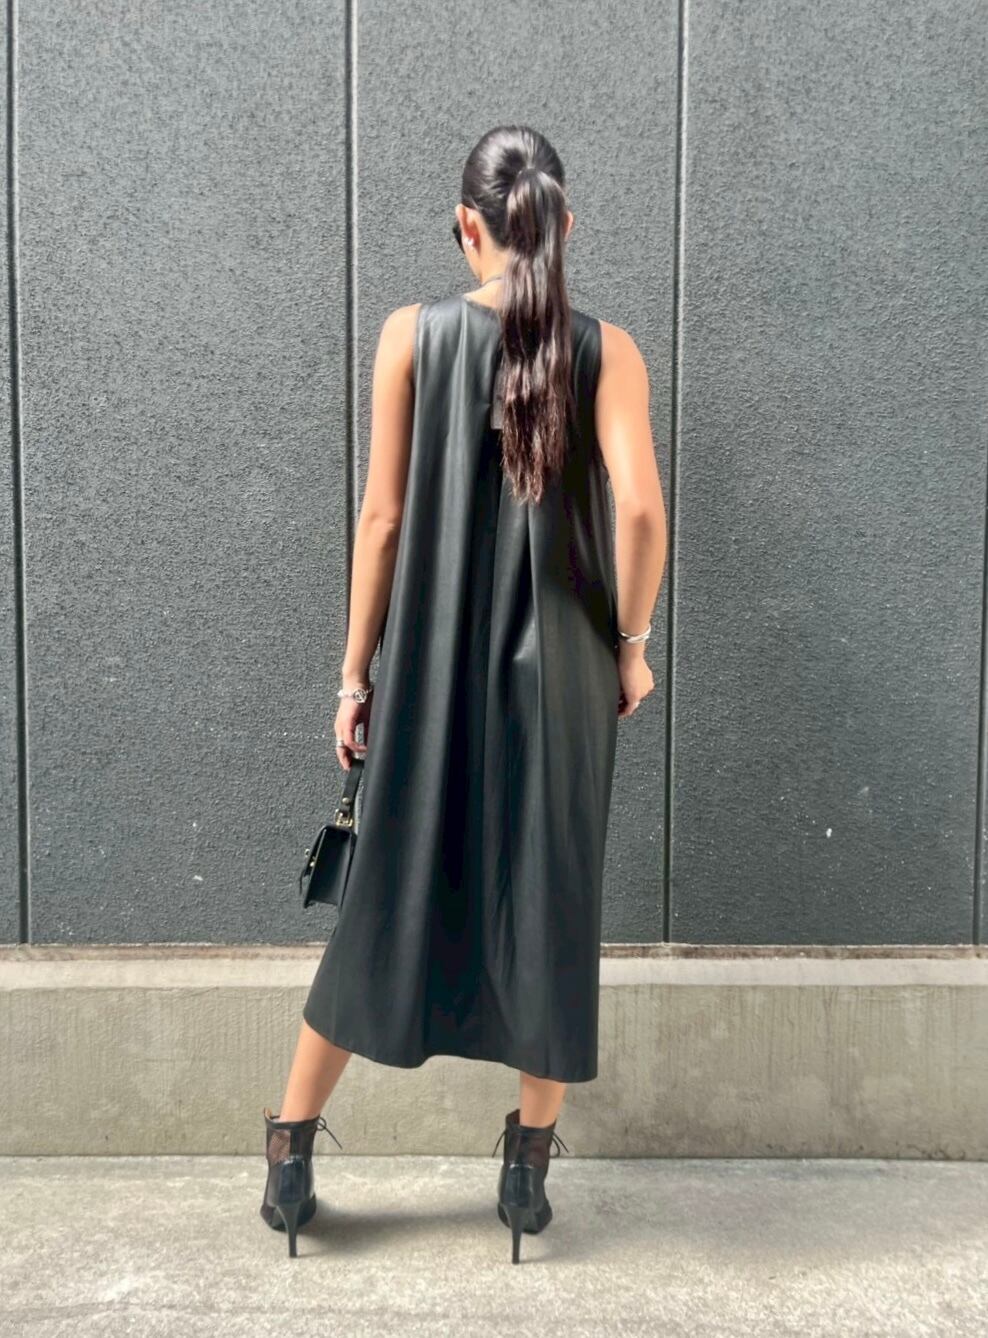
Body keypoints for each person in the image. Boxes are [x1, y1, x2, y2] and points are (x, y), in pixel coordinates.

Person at [260, 124, 667, 1262]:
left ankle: (289, 1149)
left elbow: (383, 520)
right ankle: (527, 1174)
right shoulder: (608, 351)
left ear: (465, 227)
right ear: (565, 226)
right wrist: (630, 646)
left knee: (385, 893)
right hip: (566, 675)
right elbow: (641, 511)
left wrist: (356, 677)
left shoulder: (411, 335)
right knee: (551, 899)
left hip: (429, 668)